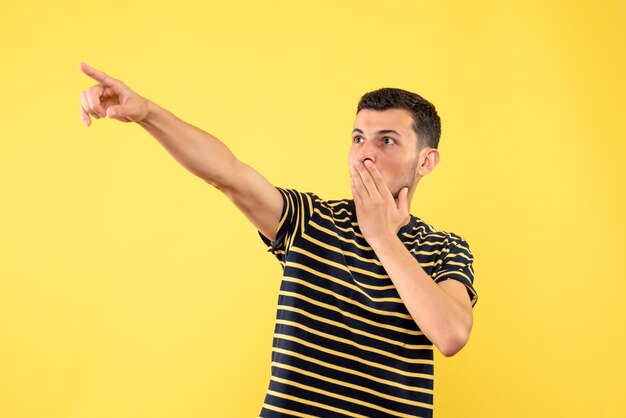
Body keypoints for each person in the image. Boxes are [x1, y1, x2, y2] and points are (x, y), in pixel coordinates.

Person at [79, 62, 477, 418]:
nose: (364, 155)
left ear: (426, 161)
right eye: (358, 138)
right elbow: (227, 173)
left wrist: (381, 237)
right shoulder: (312, 220)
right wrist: (147, 112)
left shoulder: (444, 247)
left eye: (386, 140)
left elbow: (451, 334)